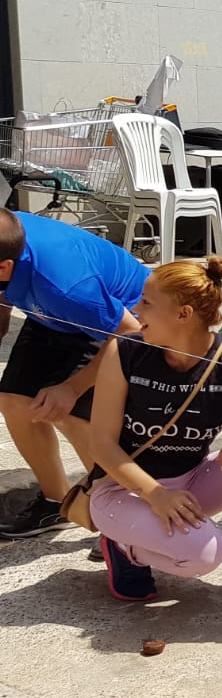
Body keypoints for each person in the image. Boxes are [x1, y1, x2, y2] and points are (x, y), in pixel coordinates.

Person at [88, 257, 222, 601]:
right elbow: (101, 445)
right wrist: (155, 495)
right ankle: (124, 547)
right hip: (122, 491)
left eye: (147, 303)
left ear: (183, 314)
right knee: (205, 554)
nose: (136, 309)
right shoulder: (125, 351)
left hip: (191, 484)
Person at [0, 208, 149, 539]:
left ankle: (117, 519)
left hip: (123, 325)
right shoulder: (6, 236)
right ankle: (56, 501)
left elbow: (132, 335)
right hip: (52, 316)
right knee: (15, 401)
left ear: (4, 267)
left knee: (72, 415)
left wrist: (71, 388)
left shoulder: (68, 285)